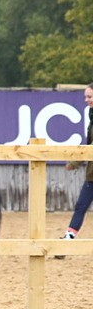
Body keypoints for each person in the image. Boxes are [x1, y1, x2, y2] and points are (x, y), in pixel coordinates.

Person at [59, 84, 93, 249]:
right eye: (86, 97)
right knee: (81, 206)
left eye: (90, 97)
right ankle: (69, 238)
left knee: (81, 206)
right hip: (92, 175)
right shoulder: (92, 118)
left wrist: (75, 162)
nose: (86, 100)